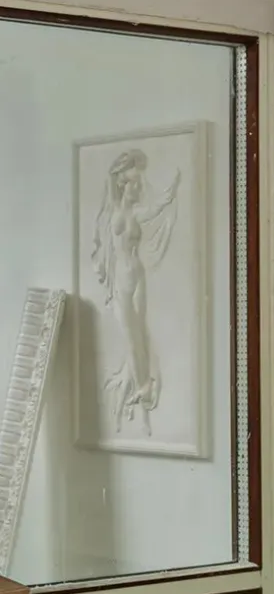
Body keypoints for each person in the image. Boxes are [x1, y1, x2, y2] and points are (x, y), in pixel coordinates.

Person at [91, 148, 180, 437]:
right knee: (131, 339)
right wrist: (122, 171)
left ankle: (142, 394)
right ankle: (141, 388)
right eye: (134, 184)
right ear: (122, 185)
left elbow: (157, 207)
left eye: (139, 184)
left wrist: (171, 190)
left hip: (137, 275)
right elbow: (112, 180)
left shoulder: (137, 213)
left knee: (140, 334)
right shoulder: (113, 213)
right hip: (121, 281)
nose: (139, 188)